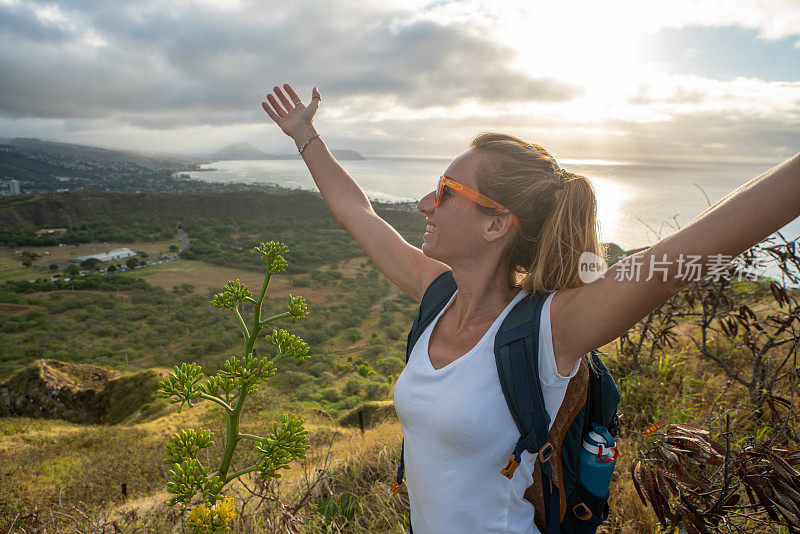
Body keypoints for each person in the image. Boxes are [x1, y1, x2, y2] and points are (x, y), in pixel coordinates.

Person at [262, 83, 800, 533]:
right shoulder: (437, 293)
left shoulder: (551, 329)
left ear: (498, 225)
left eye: (445, 191)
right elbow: (357, 212)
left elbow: (697, 248)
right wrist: (305, 135)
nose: (425, 203)